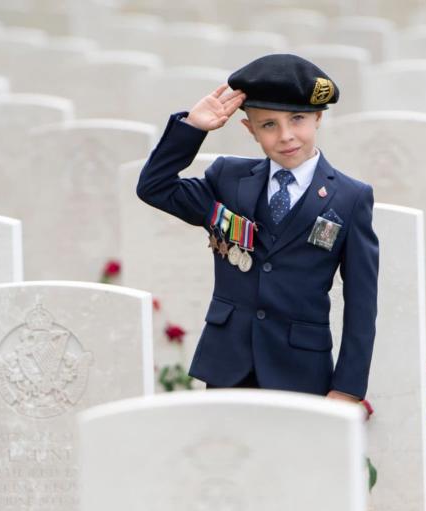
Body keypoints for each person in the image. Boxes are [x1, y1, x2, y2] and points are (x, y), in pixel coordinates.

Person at [135, 53, 379, 404]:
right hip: (228, 366)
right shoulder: (228, 179)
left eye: (297, 119)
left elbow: (361, 302)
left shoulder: (350, 197)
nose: (286, 136)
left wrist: (348, 388)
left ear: (318, 118)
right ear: (250, 129)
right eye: (268, 125)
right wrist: (193, 127)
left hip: (301, 370)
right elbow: (154, 187)